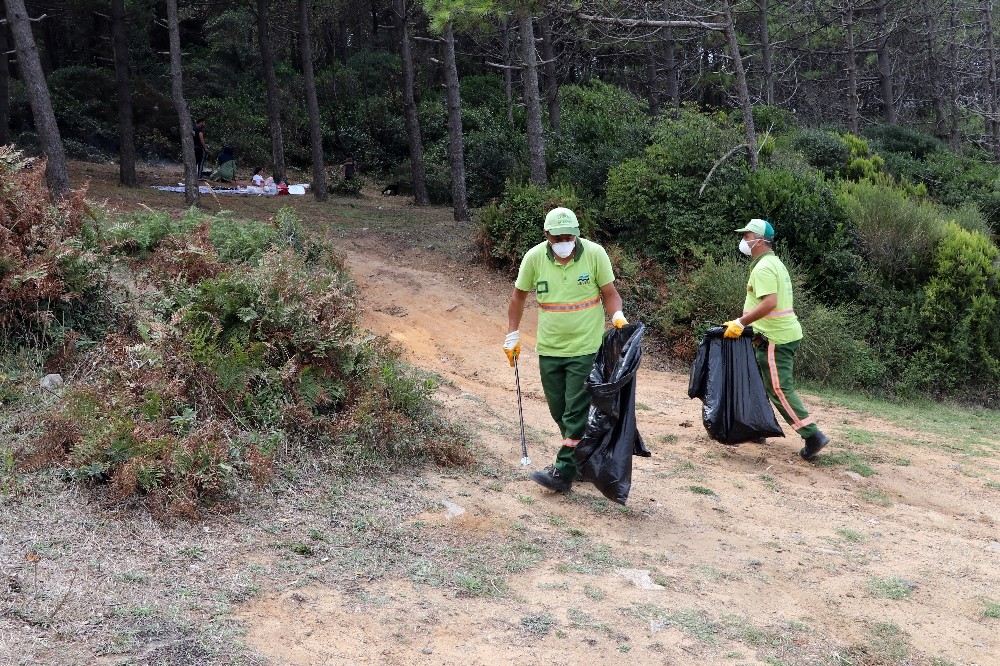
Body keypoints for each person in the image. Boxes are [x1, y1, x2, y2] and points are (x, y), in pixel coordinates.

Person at [504, 207, 628, 493]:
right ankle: (583, 459)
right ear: (547, 235)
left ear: (577, 233)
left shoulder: (595, 254)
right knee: (559, 409)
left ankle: (563, 471)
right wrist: (512, 333)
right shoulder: (534, 258)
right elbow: (518, 297)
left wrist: (617, 317)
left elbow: (610, 294)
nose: (563, 242)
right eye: (557, 236)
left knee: (575, 410)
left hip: (585, 347)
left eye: (568, 236)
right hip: (549, 348)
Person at [723, 219, 830, 461]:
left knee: (779, 388)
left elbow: (769, 302)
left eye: (747, 236)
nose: (744, 241)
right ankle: (758, 427)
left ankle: (812, 435)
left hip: (776, 339)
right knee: (760, 384)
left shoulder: (764, 268)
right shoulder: (771, 263)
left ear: (759, 240)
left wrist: (741, 323)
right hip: (773, 335)